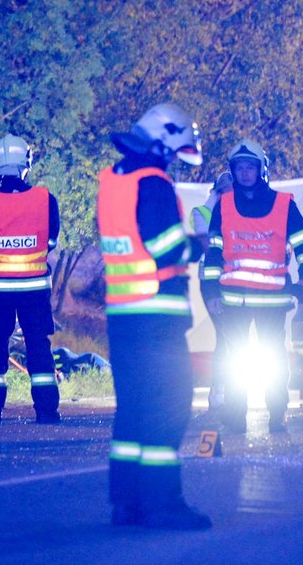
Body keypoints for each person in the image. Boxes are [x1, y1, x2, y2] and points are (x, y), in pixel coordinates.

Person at [97, 103, 211, 530]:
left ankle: (127, 504)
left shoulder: (115, 182)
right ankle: (164, 505)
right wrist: (199, 244)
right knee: (168, 408)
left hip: (123, 315)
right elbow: (168, 250)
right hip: (158, 318)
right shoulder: (155, 185)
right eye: (174, 153)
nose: (173, 163)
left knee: (132, 411)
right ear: (162, 142)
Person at [202, 138, 303, 434]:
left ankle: (277, 413)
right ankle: (235, 416)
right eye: (239, 167)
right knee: (234, 362)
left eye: (250, 167)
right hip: (233, 301)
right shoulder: (223, 205)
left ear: (261, 170)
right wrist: (211, 293)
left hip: (273, 301)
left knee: (275, 361)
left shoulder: (284, 205)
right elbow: (214, 251)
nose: (244, 173)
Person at [0, 134, 61, 424]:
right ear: (27, 163)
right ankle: (47, 411)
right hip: (34, 289)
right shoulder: (45, 200)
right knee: (38, 345)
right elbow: (51, 242)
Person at [190, 171, 234, 416]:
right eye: (225, 187)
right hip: (212, 282)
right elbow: (207, 244)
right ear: (216, 190)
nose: (231, 190)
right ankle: (218, 394)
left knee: (233, 338)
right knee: (226, 337)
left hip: (237, 279)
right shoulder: (203, 212)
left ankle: (230, 395)